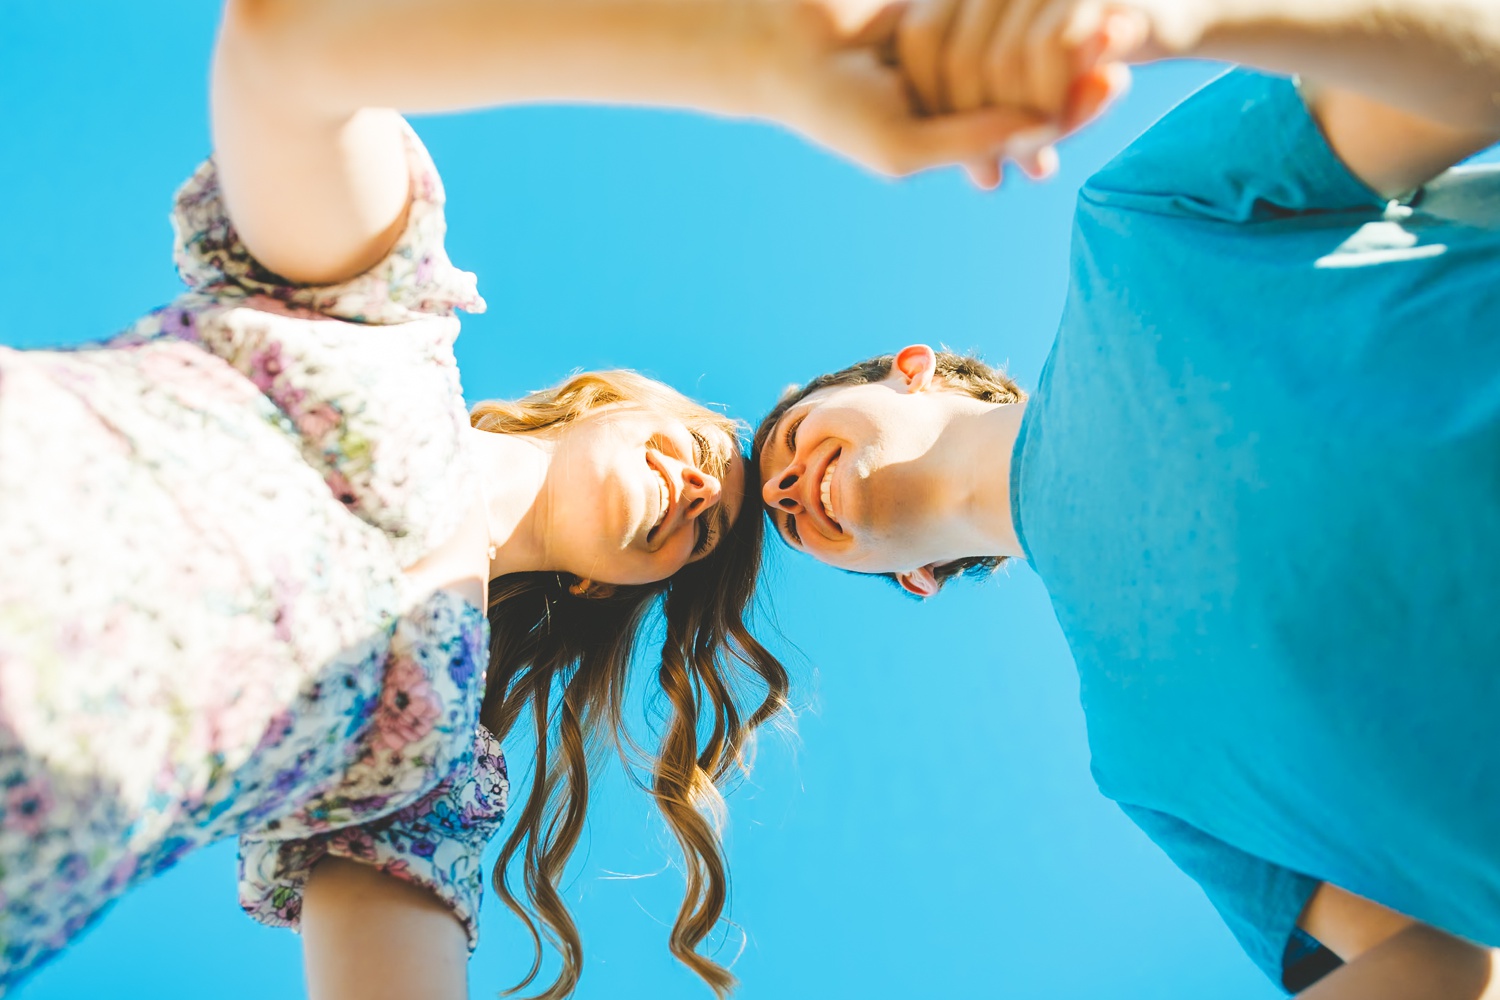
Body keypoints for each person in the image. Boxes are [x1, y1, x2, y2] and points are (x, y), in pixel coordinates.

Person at [0, 0, 1053, 997]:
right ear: (602, 401)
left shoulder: (431, 770)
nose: (707, 493)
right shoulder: (380, 323)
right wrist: (768, 59)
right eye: (700, 447)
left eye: (709, 532)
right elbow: (291, 47)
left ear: (611, 583)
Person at [755, 1, 1500, 996]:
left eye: (795, 438)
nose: (782, 483)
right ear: (918, 579)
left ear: (914, 368)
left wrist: (1158, 19)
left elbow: (1477, 67)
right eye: (781, 512)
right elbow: (1439, 959)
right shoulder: (1148, 774)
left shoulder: (1137, 220)